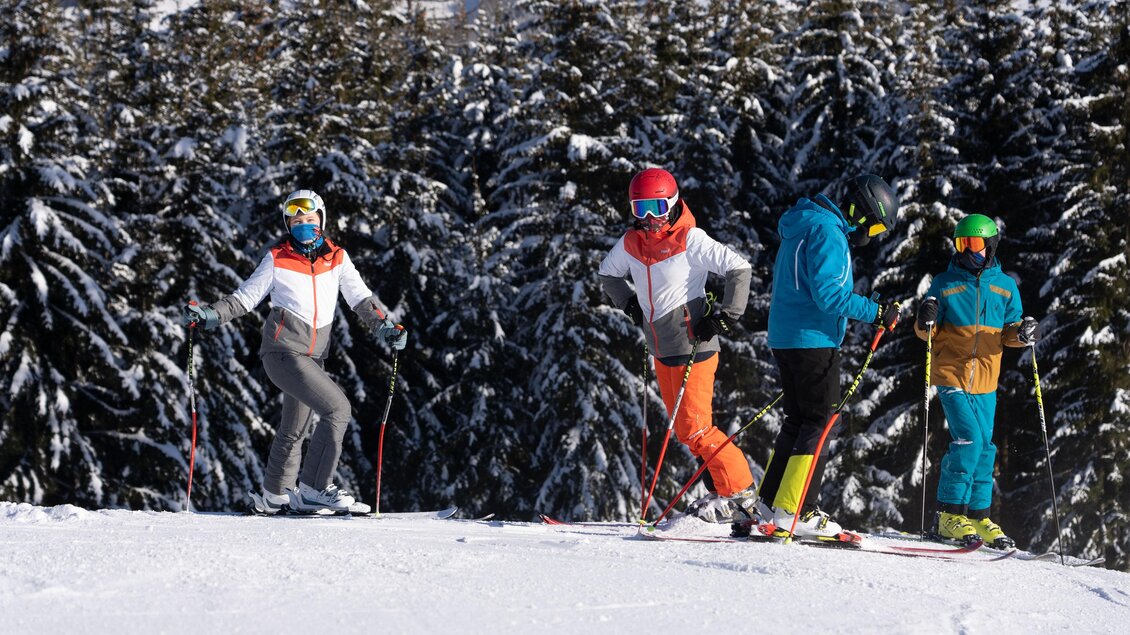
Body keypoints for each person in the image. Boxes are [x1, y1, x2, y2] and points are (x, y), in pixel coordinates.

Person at [184, 189, 407, 514]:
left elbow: (361, 299)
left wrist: (385, 327)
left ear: (322, 220)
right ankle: (315, 489)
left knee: (295, 428)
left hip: (313, 356)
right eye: (297, 220)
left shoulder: (337, 258)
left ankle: (275, 495)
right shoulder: (278, 258)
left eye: (311, 219)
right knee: (338, 409)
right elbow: (245, 298)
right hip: (282, 352)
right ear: (289, 225)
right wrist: (212, 314)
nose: (305, 225)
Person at [598, 167, 758, 523]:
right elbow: (608, 274)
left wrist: (725, 317)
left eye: (657, 206)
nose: (651, 218)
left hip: (694, 345)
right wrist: (629, 304)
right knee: (687, 433)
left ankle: (742, 494)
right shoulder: (630, 243)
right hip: (661, 350)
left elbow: (739, 268)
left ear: (672, 203)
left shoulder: (691, 239)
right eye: (641, 209)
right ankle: (724, 495)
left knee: (696, 429)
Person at [759, 174, 901, 538]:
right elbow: (829, 295)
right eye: (873, 226)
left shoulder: (805, 224)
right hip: (813, 338)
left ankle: (770, 504)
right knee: (819, 423)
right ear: (862, 213)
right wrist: (877, 312)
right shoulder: (829, 232)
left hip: (787, 336)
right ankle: (796, 510)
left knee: (798, 420)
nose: (870, 236)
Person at [915, 213, 1035, 549]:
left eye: (975, 244)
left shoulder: (1005, 286)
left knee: (986, 447)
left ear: (991, 245)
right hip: (951, 374)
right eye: (962, 243)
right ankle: (948, 515)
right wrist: (924, 320)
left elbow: (1011, 332)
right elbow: (927, 329)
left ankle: (979, 517)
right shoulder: (945, 282)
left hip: (986, 380)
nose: (968, 250)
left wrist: (1022, 334)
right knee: (968, 440)